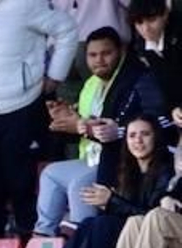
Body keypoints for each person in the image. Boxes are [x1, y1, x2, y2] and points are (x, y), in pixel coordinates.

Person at [0, 0, 77, 238]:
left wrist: (55, 76)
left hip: (21, 106)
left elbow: (67, 30)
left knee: (23, 185)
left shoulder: (26, 3)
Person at [27, 115, 168, 248]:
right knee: (89, 223)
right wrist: (111, 203)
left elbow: (153, 217)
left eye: (145, 134)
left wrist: (112, 201)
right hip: (128, 240)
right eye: (132, 136)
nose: (138, 141)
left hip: (151, 244)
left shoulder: (166, 168)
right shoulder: (128, 170)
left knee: (104, 225)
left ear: (156, 138)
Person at [36, 29, 165, 237]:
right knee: (51, 173)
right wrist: (68, 118)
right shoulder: (91, 84)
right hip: (93, 158)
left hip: (121, 160)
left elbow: (156, 122)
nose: (99, 60)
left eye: (106, 53)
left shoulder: (136, 78)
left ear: (121, 51)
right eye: (93, 55)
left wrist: (89, 127)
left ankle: (83, 238)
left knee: (81, 184)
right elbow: (86, 126)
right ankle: (43, 239)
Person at [85, 145, 182, 248]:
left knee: (157, 216)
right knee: (136, 221)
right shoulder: (174, 182)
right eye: (180, 157)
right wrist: (167, 197)